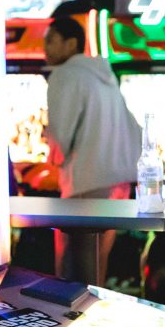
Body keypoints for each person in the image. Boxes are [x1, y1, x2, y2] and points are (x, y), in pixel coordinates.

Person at [43, 15, 140, 284]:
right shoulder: (104, 76)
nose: (45, 48)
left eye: (51, 41)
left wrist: (52, 151)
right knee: (97, 269)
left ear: (71, 43)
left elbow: (61, 136)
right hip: (117, 184)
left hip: (87, 183)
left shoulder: (65, 74)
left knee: (74, 275)